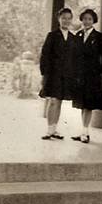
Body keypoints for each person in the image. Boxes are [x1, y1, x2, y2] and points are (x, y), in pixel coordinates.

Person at [72, 8, 102, 144]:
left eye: (89, 19)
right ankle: (83, 131)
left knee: (88, 105)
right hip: (80, 75)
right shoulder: (78, 35)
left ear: (93, 21)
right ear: (81, 20)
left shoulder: (99, 37)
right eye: (84, 19)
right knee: (82, 104)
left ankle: (85, 133)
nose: (87, 21)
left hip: (92, 75)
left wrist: (100, 70)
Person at [39, 7, 77, 140]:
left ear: (71, 20)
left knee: (59, 102)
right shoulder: (52, 35)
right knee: (53, 101)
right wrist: (44, 74)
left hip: (66, 75)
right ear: (58, 19)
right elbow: (44, 56)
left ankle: (55, 129)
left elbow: (74, 58)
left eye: (68, 18)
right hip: (53, 74)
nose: (66, 21)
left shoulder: (73, 38)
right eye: (63, 18)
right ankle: (49, 130)